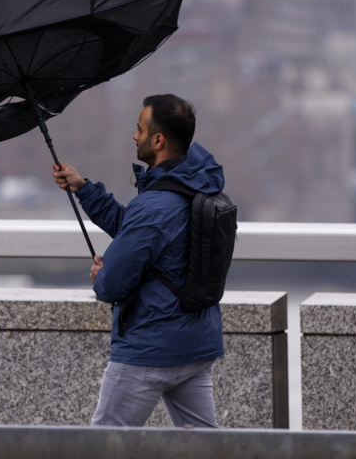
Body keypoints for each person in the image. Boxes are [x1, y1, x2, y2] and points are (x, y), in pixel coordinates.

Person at [52, 94, 226, 427]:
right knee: (203, 447)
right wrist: (84, 189)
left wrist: (102, 276)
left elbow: (113, 283)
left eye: (140, 129)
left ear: (158, 140)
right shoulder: (197, 185)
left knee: (105, 445)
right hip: (196, 343)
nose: (135, 136)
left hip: (150, 347)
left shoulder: (156, 204)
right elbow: (141, 234)